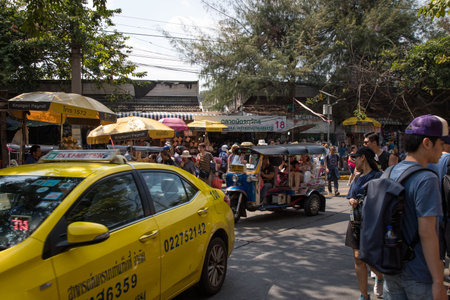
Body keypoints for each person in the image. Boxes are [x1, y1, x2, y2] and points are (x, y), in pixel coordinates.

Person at [383, 114, 448, 300]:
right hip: (419, 275)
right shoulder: (426, 179)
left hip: (391, 270)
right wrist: (438, 281)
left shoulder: (389, 172)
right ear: (427, 143)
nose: (443, 149)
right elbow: (427, 233)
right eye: (441, 143)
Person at [344, 147, 383, 300]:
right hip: (356, 221)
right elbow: (350, 195)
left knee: (369, 258)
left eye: (356, 158)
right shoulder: (357, 177)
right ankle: (364, 295)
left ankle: (380, 277)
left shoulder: (377, 176)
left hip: (371, 222)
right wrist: (351, 200)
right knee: (358, 257)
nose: (354, 161)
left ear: (363, 158)